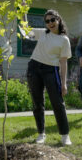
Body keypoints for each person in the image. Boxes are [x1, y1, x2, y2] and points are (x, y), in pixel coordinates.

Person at [23, 9, 73, 146]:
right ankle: (41, 133)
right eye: (47, 21)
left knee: (57, 103)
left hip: (51, 70)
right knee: (37, 103)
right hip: (34, 68)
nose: (50, 23)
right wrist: (23, 12)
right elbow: (25, 31)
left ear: (58, 20)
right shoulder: (42, 33)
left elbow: (63, 62)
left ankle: (65, 135)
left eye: (52, 20)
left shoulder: (64, 40)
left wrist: (64, 83)